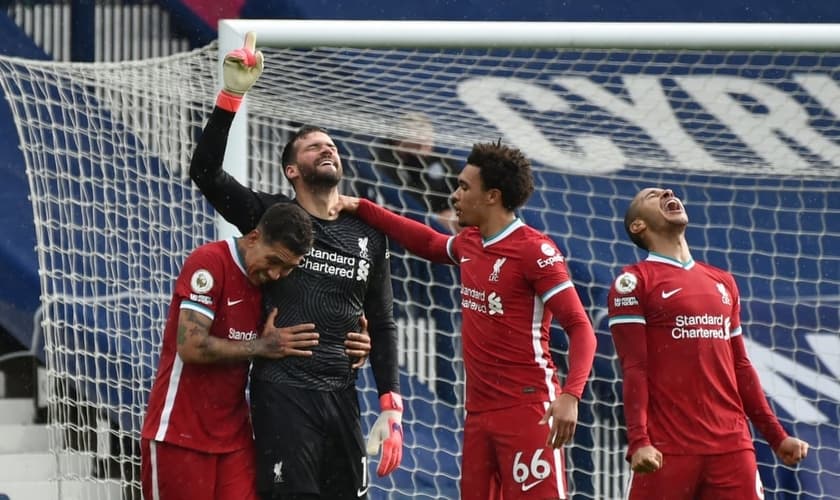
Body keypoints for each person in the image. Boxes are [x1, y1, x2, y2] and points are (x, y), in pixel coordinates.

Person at [189, 32, 403, 499]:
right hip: (283, 394)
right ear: (291, 170)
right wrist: (231, 97)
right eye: (312, 147)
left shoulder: (369, 233)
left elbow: (382, 321)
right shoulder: (273, 219)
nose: (326, 149)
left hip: (343, 396)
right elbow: (205, 173)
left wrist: (390, 402)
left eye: (331, 145)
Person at [334, 141, 598, 500]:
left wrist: (571, 395)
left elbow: (581, 327)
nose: (455, 195)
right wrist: (362, 207)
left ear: (491, 196)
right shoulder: (470, 242)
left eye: (463, 187)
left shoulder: (535, 251)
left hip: (528, 408)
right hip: (477, 412)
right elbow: (428, 242)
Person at [607, 187, 809, 499]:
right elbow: (634, 367)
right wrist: (639, 441)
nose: (668, 192)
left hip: (731, 446)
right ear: (638, 226)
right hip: (667, 449)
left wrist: (777, 436)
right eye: (652, 195)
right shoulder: (633, 282)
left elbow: (741, 366)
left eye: (667, 191)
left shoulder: (723, 281)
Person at [141, 202, 352, 500]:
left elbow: (318, 318)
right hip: (179, 435)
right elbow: (190, 346)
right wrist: (261, 347)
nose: (278, 274)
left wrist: (357, 339)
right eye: (275, 261)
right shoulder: (210, 262)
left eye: (289, 268)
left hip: (234, 440)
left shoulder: (270, 282)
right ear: (253, 237)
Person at [354, 111, 459, 232]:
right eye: (417, 144)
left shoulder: (441, 159)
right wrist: (436, 219)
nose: (424, 146)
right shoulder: (382, 163)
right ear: (398, 140)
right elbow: (400, 204)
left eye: (428, 141)